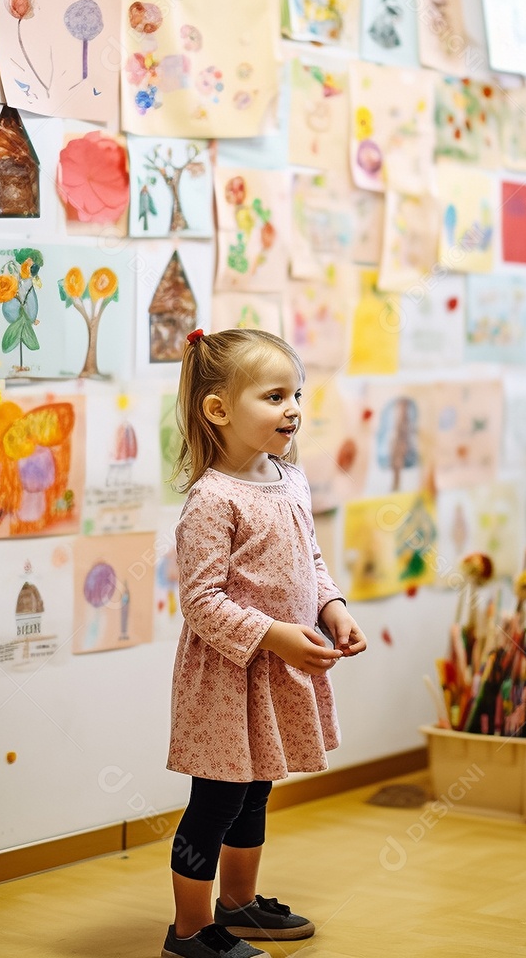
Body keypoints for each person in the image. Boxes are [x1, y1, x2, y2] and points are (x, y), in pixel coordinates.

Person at [163, 327, 367, 958]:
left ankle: (238, 903)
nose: (293, 408)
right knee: (216, 801)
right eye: (275, 396)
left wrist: (332, 606)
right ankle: (189, 932)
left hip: (276, 675)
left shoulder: (290, 479)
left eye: (296, 394)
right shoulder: (211, 500)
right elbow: (201, 602)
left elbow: (310, 559)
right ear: (218, 410)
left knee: (256, 789)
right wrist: (273, 635)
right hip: (229, 680)